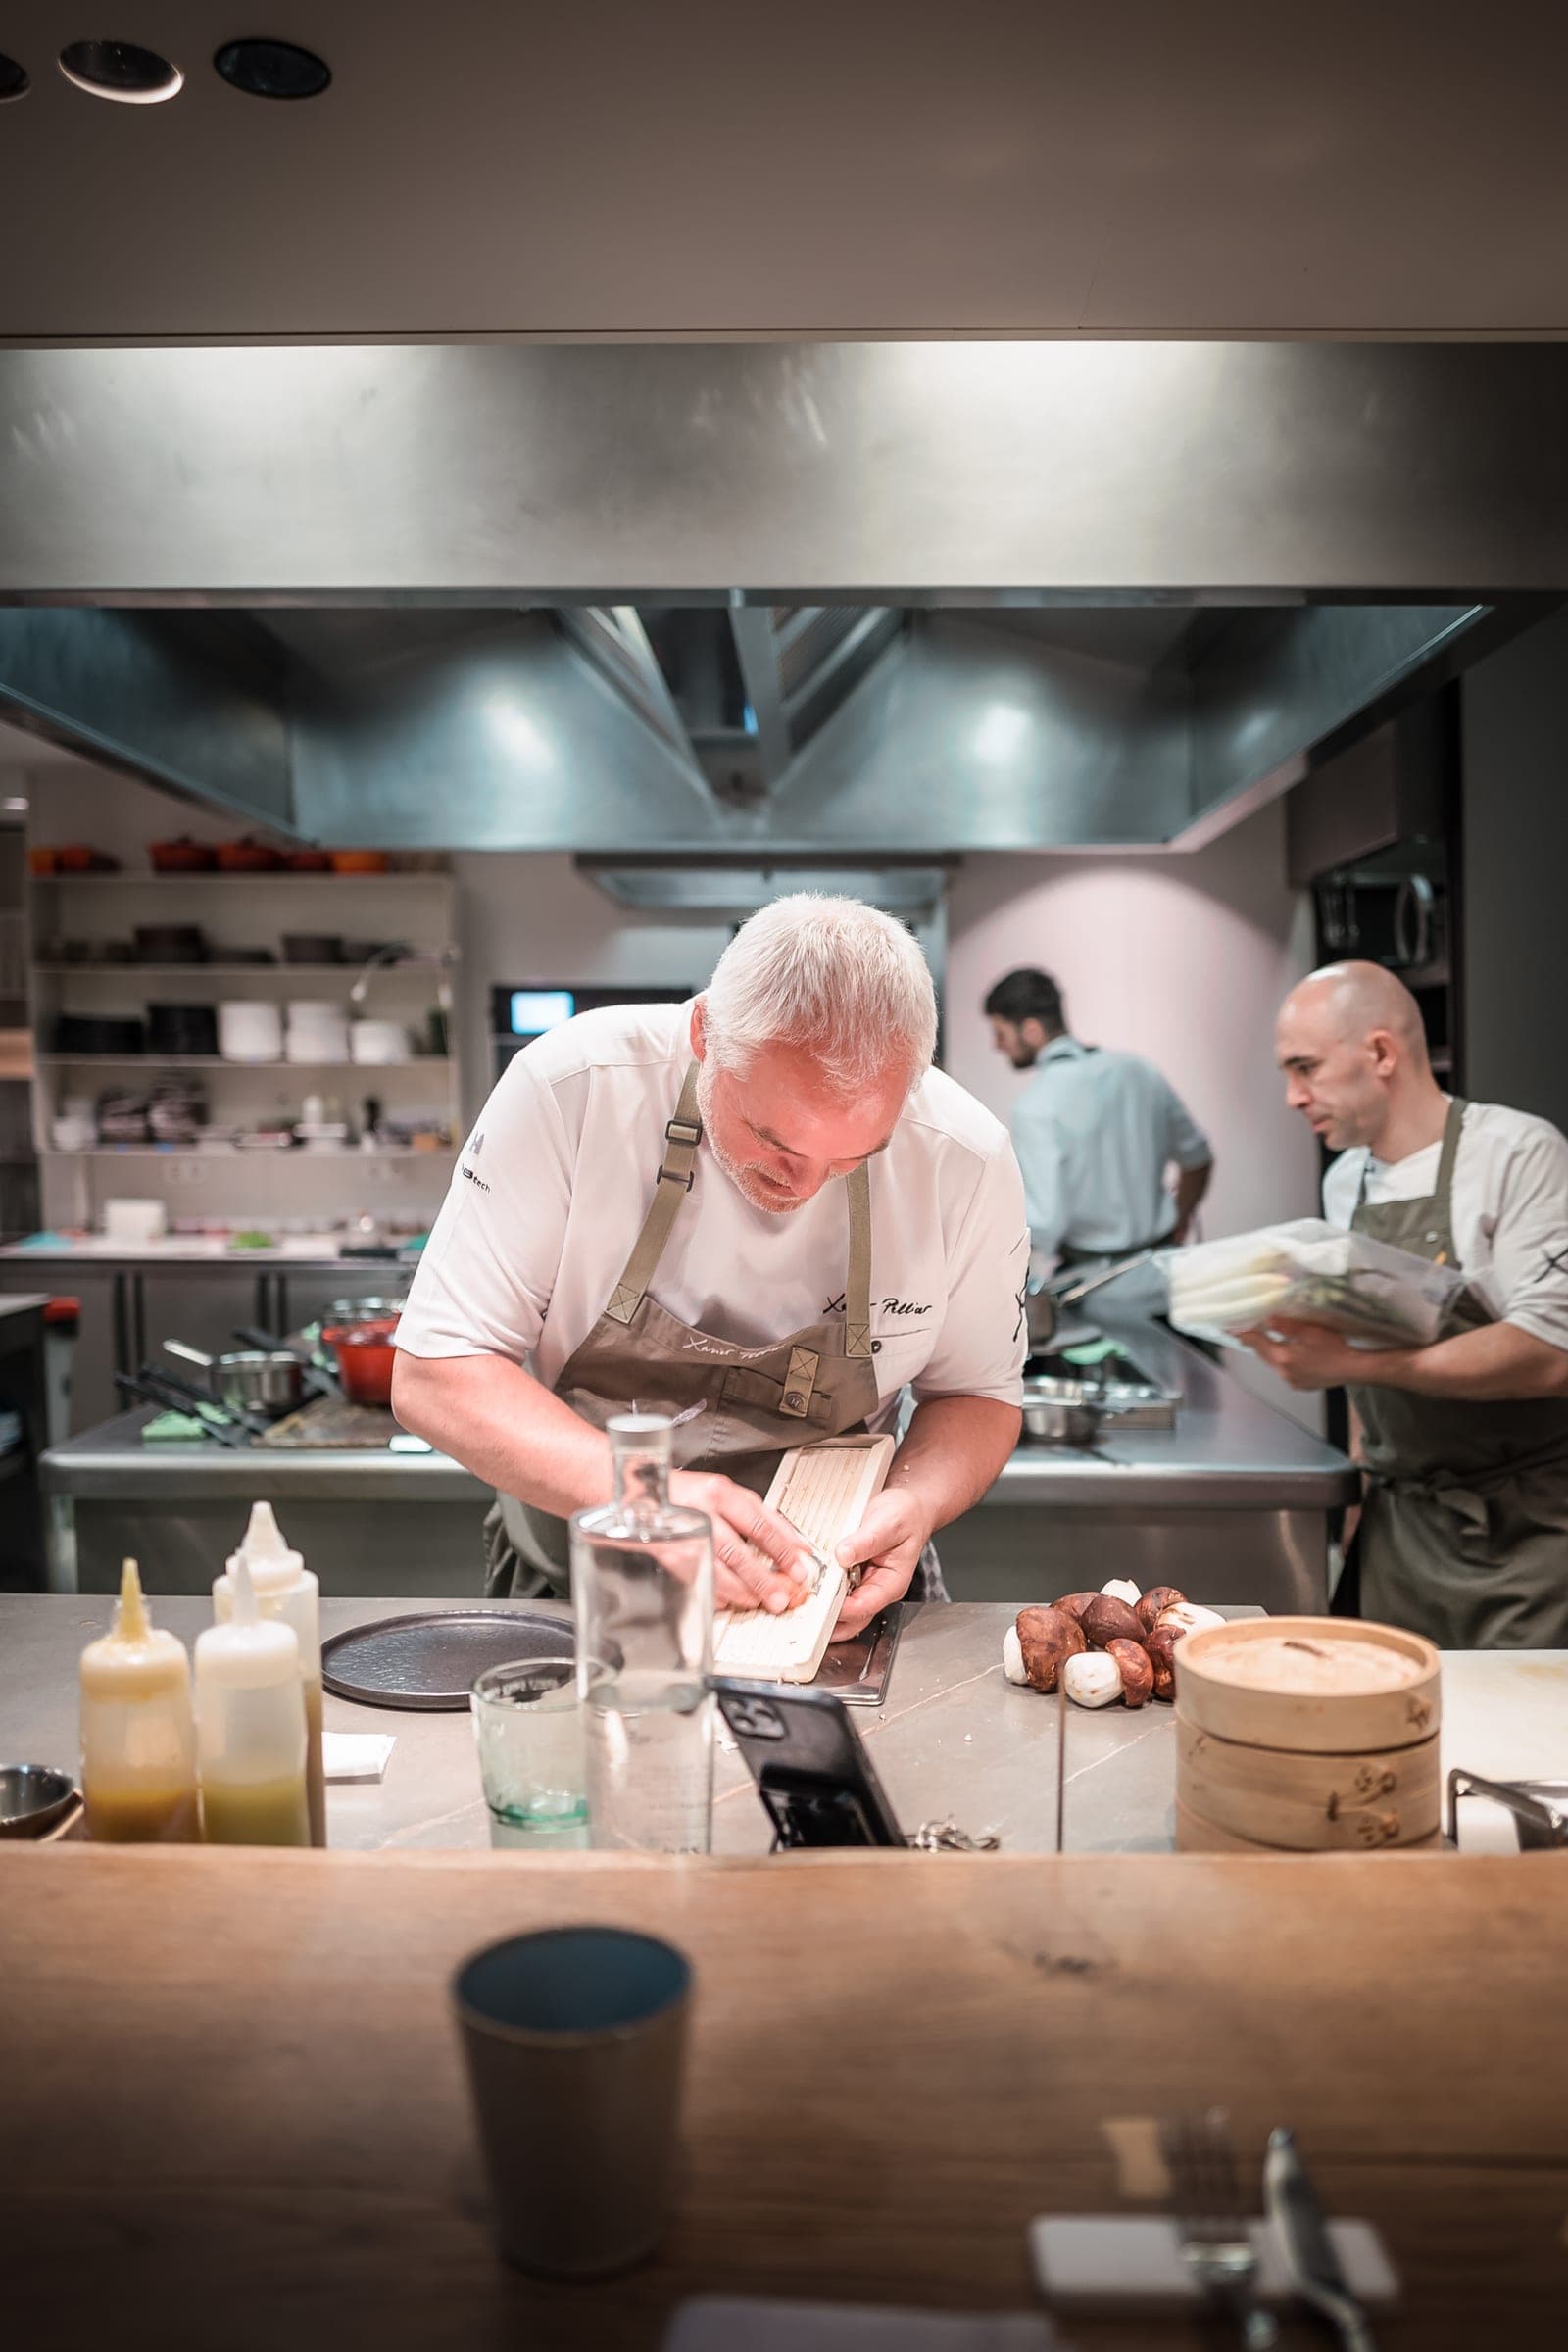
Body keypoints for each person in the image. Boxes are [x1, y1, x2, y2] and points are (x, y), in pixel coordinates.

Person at [394, 897, 1029, 1638]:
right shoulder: (574, 1089)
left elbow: (977, 1394)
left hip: (831, 1609)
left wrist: (918, 1500)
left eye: (853, 1158)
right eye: (774, 1141)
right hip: (580, 1592)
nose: (804, 1187)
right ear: (705, 1034)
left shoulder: (963, 1158)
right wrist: (641, 1495)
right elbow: (437, 1371)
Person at [1241, 959, 1568, 1648]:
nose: (1293, 1097)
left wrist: (1349, 1365)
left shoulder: (1517, 1154)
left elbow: (1548, 1353)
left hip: (1523, 1535)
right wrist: (1362, 1482)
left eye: (1306, 1068)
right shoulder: (1344, 1182)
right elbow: (1365, 1338)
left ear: (1382, 1053)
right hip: (1398, 1533)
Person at [984, 968, 1213, 1286]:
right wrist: (1180, 1215)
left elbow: (1045, 1222)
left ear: (1032, 1030)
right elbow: (1198, 1158)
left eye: (1001, 1034)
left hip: (1095, 1284)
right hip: (1166, 1270)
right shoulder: (1139, 1071)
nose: (997, 1046)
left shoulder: (1034, 1106)